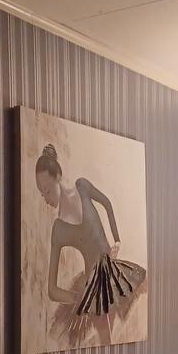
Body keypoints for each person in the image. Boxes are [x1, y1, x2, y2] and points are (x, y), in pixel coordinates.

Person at [34, 143, 145, 343]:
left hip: (113, 271)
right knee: (106, 340)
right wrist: (79, 298)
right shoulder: (58, 229)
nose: (46, 199)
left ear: (58, 177)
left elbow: (107, 204)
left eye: (47, 191)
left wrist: (117, 240)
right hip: (93, 285)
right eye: (42, 194)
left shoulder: (82, 186)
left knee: (135, 300)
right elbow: (52, 289)